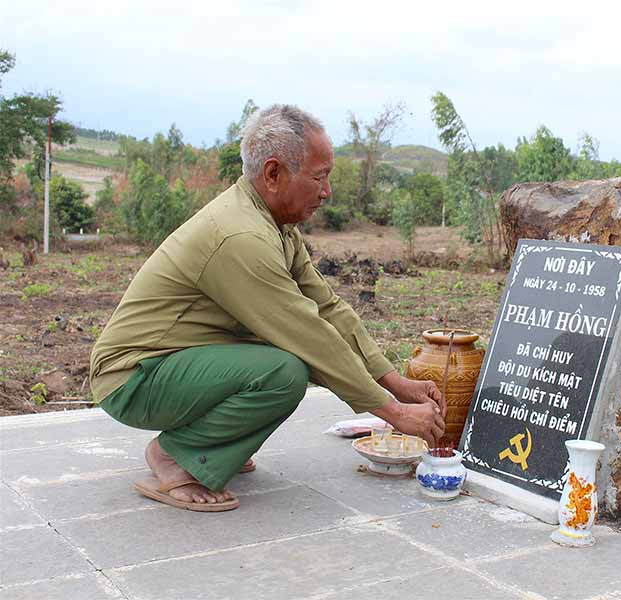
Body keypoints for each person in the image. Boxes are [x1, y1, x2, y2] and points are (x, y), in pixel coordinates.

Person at [90, 104, 445, 512]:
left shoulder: (275, 225)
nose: (327, 192)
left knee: (282, 360)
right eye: (319, 177)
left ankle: (213, 443)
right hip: (134, 378)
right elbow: (308, 335)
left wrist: (396, 382)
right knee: (284, 371)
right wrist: (394, 412)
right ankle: (174, 456)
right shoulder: (242, 237)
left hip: (170, 364)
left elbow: (327, 308)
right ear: (274, 174)